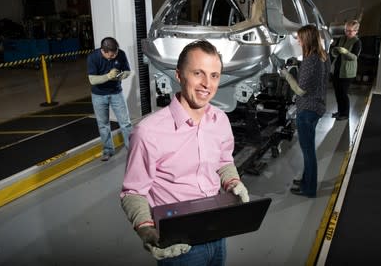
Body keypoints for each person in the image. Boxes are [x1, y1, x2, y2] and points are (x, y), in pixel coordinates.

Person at [120, 40, 249, 265]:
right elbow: (133, 192)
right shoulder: (148, 132)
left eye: (214, 75)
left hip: (217, 231)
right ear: (179, 75)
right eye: (198, 73)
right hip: (179, 245)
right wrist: (147, 231)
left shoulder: (220, 120)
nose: (206, 84)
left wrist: (233, 182)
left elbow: (223, 161)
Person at [280, 25, 330, 198]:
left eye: (300, 38)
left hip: (307, 110)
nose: (297, 40)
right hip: (317, 106)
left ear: (307, 39)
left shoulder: (311, 60)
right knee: (308, 149)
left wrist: (286, 74)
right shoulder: (323, 56)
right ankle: (305, 181)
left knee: (308, 152)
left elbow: (301, 90)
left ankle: (309, 189)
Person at [87, 37, 132, 161]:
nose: (114, 57)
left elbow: (128, 71)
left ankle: (132, 148)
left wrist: (121, 76)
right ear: (104, 51)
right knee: (103, 125)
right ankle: (107, 150)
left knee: (126, 123)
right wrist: (108, 76)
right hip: (98, 95)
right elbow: (92, 79)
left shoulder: (120, 54)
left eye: (116, 53)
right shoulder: (93, 58)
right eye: (112, 56)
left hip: (116, 93)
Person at [331, 20, 362, 121]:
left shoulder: (357, 42)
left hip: (347, 72)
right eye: (346, 30)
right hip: (338, 69)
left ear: (356, 31)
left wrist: (345, 52)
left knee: (343, 93)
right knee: (337, 93)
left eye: (350, 31)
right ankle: (340, 111)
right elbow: (335, 52)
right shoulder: (341, 38)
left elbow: (354, 57)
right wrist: (335, 51)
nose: (348, 33)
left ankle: (345, 114)